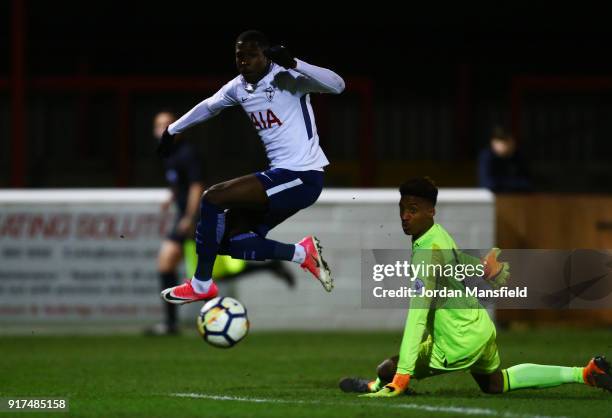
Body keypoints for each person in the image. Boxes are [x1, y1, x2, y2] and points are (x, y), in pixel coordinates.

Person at [339, 177, 611, 396]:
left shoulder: (426, 252)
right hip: (479, 328)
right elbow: (456, 263)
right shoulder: (437, 233)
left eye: (413, 210)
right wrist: (481, 266)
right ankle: (584, 373)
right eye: (402, 210)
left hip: (458, 342)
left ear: (430, 211)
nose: (405, 217)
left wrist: (404, 373)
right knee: (495, 383)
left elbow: (417, 314)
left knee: (388, 368)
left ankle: (380, 384)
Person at [156, 30, 344, 304]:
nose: (243, 61)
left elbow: (338, 85)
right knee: (229, 242)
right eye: (239, 56)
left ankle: (201, 284)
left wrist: (294, 62)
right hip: (281, 176)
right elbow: (209, 106)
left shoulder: (287, 76)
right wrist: (173, 130)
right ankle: (302, 254)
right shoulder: (238, 87)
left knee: (213, 197)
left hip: (303, 176)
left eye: (251, 55)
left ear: (265, 55)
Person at [148, 110, 296, 335]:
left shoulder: (187, 153)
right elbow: (183, 183)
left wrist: (189, 217)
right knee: (205, 273)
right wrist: (172, 197)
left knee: (178, 266)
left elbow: (197, 186)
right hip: (186, 216)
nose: (164, 129)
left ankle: (172, 325)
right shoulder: (170, 154)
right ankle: (269, 266)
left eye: (168, 124)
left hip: (194, 218)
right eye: (160, 125)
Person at [478, 126, 532, 192]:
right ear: (493, 142)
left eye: (508, 141)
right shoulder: (487, 156)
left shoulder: (519, 156)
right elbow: (487, 184)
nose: (506, 144)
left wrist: (500, 182)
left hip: (517, 197)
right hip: (495, 197)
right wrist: (512, 183)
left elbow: (527, 183)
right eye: (502, 141)